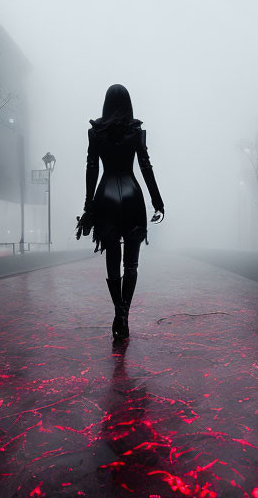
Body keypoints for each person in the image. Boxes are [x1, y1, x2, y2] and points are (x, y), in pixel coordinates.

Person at [82, 84, 164, 341]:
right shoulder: (136, 131)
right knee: (131, 263)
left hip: (105, 194)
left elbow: (92, 169)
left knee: (112, 258)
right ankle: (124, 313)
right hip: (132, 194)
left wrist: (88, 205)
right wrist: (157, 200)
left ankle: (117, 308)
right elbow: (145, 166)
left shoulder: (96, 132)